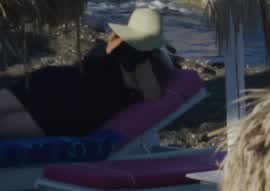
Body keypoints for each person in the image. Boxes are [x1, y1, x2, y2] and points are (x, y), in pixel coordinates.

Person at [0, 8, 176, 138]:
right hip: (71, 110)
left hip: (53, 80)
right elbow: (153, 94)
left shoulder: (112, 44)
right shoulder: (139, 56)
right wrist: (160, 59)